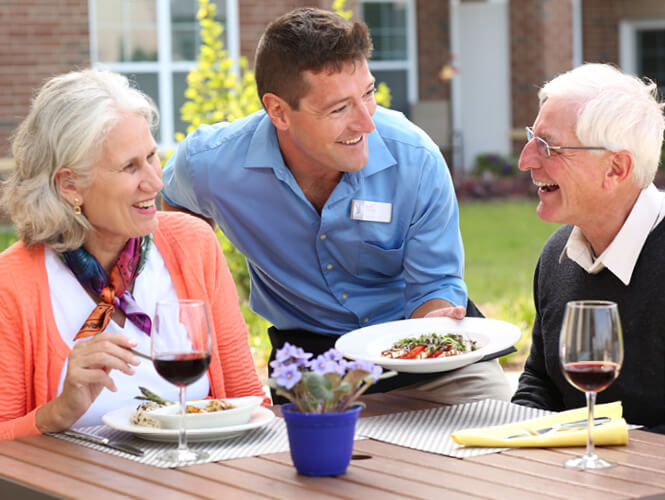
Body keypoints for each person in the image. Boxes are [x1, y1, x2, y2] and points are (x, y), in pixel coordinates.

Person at [162, 7, 511, 402]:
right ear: (278, 111)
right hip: (312, 369)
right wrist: (200, 296)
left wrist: (434, 323)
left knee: (495, 440)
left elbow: (435, 284)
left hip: (429, 359)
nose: (366, 122)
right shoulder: (211, 164)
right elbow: (171, 214)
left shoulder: (415, 159)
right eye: (340, 108)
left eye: (368, 94)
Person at [0, 69, 267, 440]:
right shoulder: (12, 283)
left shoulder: (192, 244)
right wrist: (59, 411)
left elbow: (249, 403)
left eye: (152, 157)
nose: (155, 182)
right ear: (70, 185)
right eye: (130, 167)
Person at [511, 63, 665, 433]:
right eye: (533, 138)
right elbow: (541, 383)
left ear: (615, 168)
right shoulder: (558, 254)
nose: (525, 160)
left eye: (548, 146)